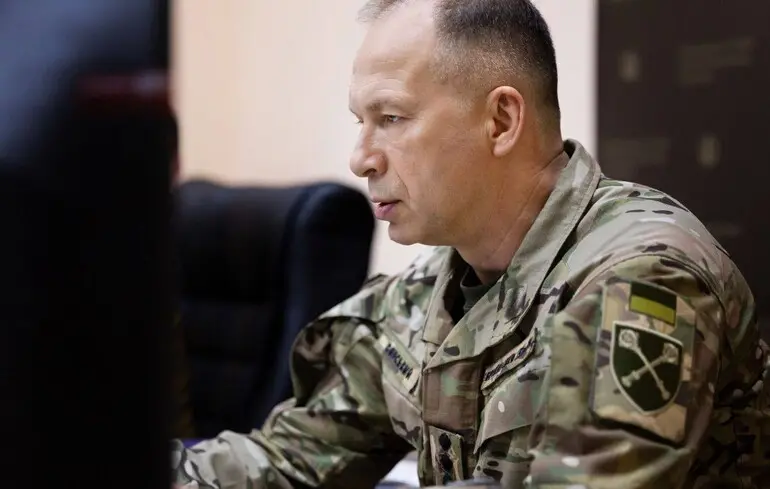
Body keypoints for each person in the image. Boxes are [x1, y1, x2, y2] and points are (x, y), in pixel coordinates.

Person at [171, 0, 770, 487]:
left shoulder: (640, 278)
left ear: (501, 121)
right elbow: (288, 465)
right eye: (361, 122)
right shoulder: (424, 292)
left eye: (392, 118)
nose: (361, 159)